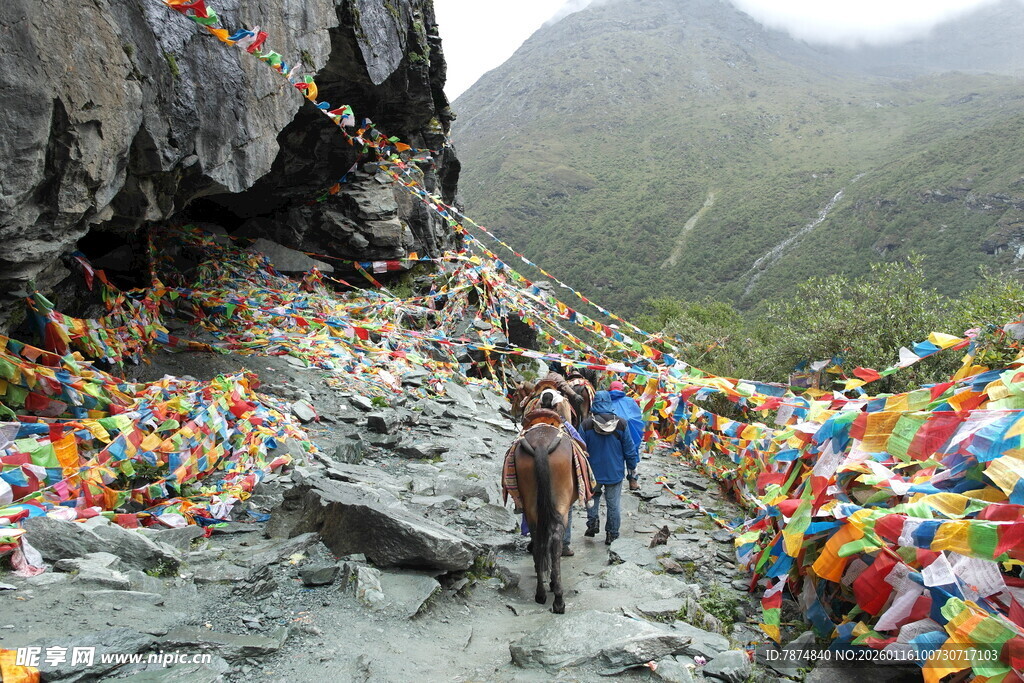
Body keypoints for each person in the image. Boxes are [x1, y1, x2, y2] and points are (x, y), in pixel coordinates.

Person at [580, 390, 639, 545]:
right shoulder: (621, 424)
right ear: (609, 403)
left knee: (592, 499)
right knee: (613, 504)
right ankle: (612, 534)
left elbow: (579, 449)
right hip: (614, 472)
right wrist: (632, 472)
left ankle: (593, 523)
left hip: (592, 473)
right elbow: (630, 450)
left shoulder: (586, 424)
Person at [608, 380, 644, 490]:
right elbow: (637, 417)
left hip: (611, 434)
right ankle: (633, 482)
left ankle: (610, 483)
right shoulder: (630, 401)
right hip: (630, 433)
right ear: (622, 390)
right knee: (631, 455)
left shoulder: (606, 401)